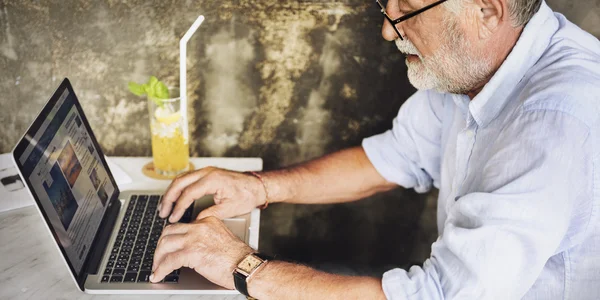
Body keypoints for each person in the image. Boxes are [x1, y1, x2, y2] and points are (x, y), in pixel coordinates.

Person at [149, 0, 600, 298]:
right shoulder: (474, 66)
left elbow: (435, 297)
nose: (388, 31)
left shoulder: (551, 123)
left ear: (487, 10)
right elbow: (391, 158)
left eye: (406, 11)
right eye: (388, 6)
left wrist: (241, 267)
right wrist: (257, 187)